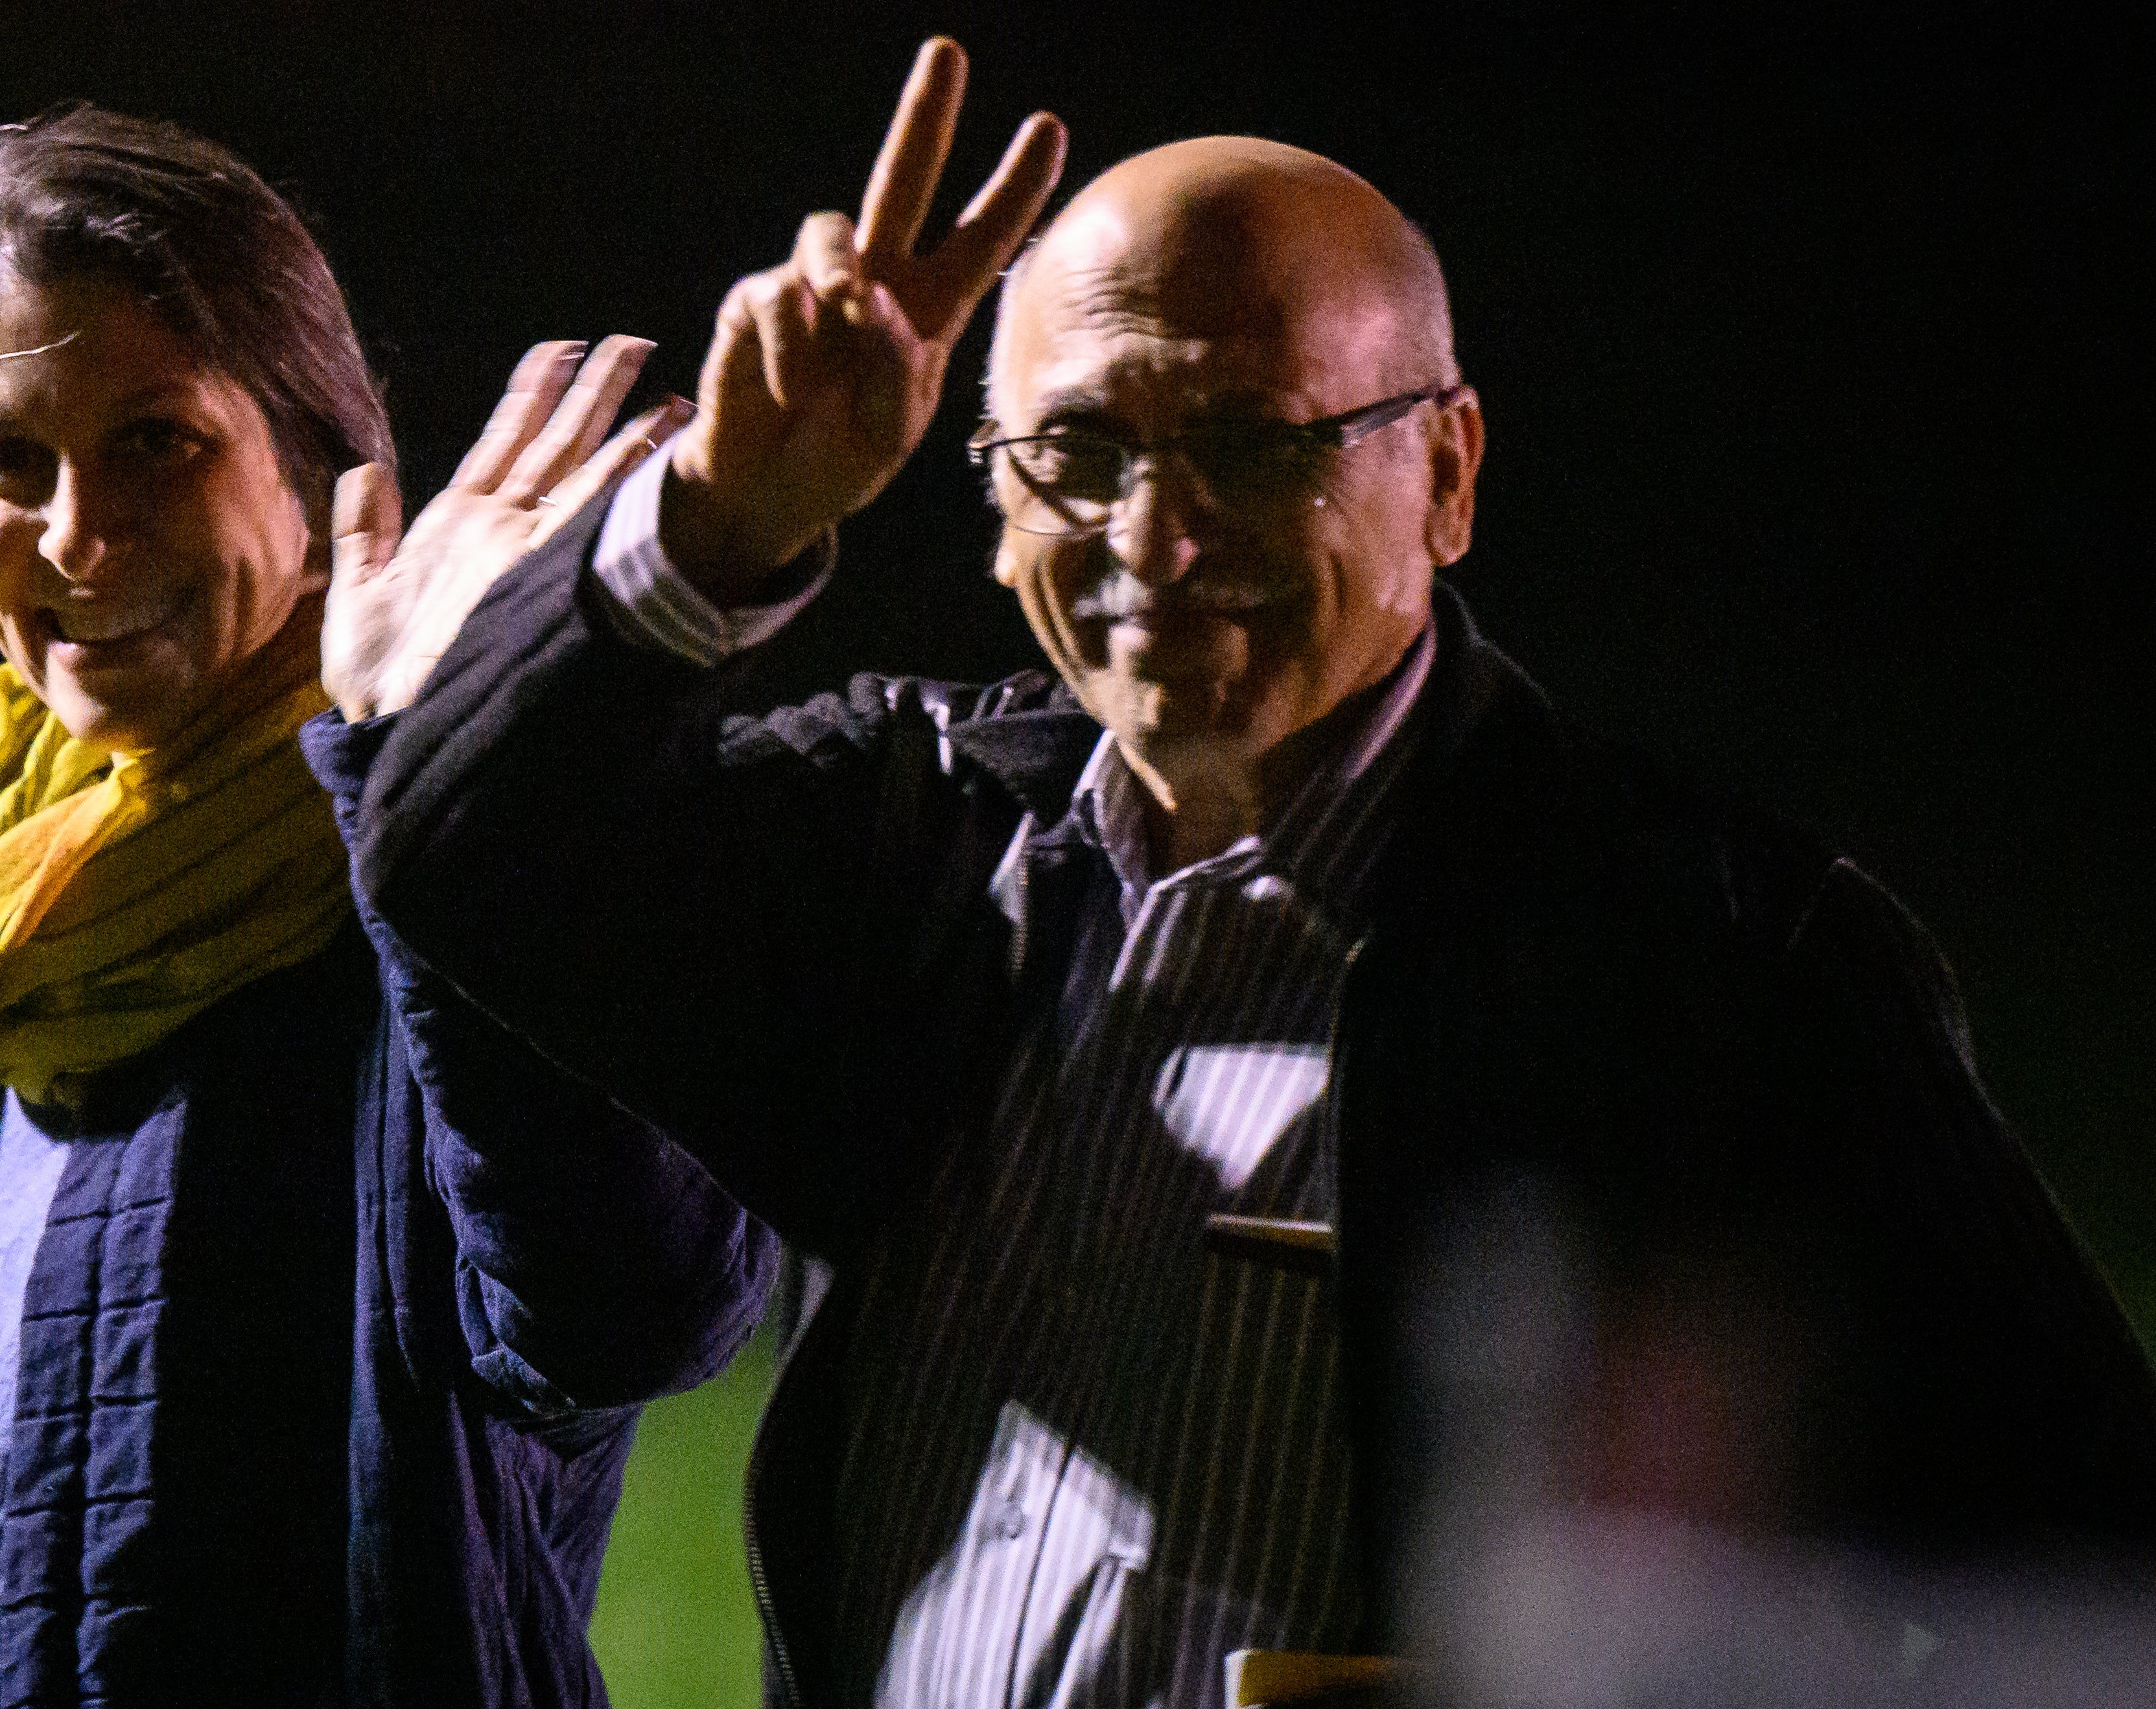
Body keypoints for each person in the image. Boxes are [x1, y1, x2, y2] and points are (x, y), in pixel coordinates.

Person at [328, 39, 2156, 1706]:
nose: (1155, 531)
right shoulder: (929, 825)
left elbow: (2081, 1563)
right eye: (1081, 449)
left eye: (1254, 443)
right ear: (986, 492)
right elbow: (469, 851)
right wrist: (721, 524)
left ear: (1445, 470)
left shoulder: (1714, 950)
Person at [0, 105, 775, 1708]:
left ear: (315, 470)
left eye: (158, 438)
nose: (78, 534)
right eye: (7, 459)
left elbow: (635, 1307)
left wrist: (437, 787)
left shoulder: (432, 857)